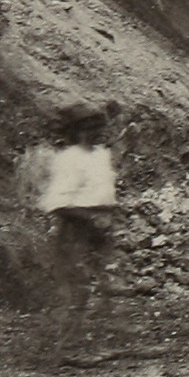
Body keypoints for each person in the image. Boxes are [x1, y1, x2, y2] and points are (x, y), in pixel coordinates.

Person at [31, 105, 121, 316]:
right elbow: (57, 202)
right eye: (89, 128)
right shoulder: (68, 159)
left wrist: (109, 215)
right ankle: (69, 337)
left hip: (102, 222)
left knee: (105, 278)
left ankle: (103, 332)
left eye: (98, 127)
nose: (96, 132)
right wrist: (90, 218)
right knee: (76, 282)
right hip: (77, 226)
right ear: (77, 131)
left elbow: (104, 190)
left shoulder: (101, 155)